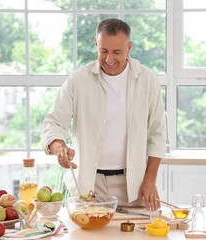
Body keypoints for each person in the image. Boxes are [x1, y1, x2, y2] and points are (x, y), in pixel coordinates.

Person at [42, 18, 166, 211]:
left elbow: (157, 134)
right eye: (103, 51)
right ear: (96, 44)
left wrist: (150, 180)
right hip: (88, 184)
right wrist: (59, 148)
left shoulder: (147, 79)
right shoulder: (78, 79)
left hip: (133, 184)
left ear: (129, 47)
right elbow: (54, 123)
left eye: (117, 52)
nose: (109, 59)